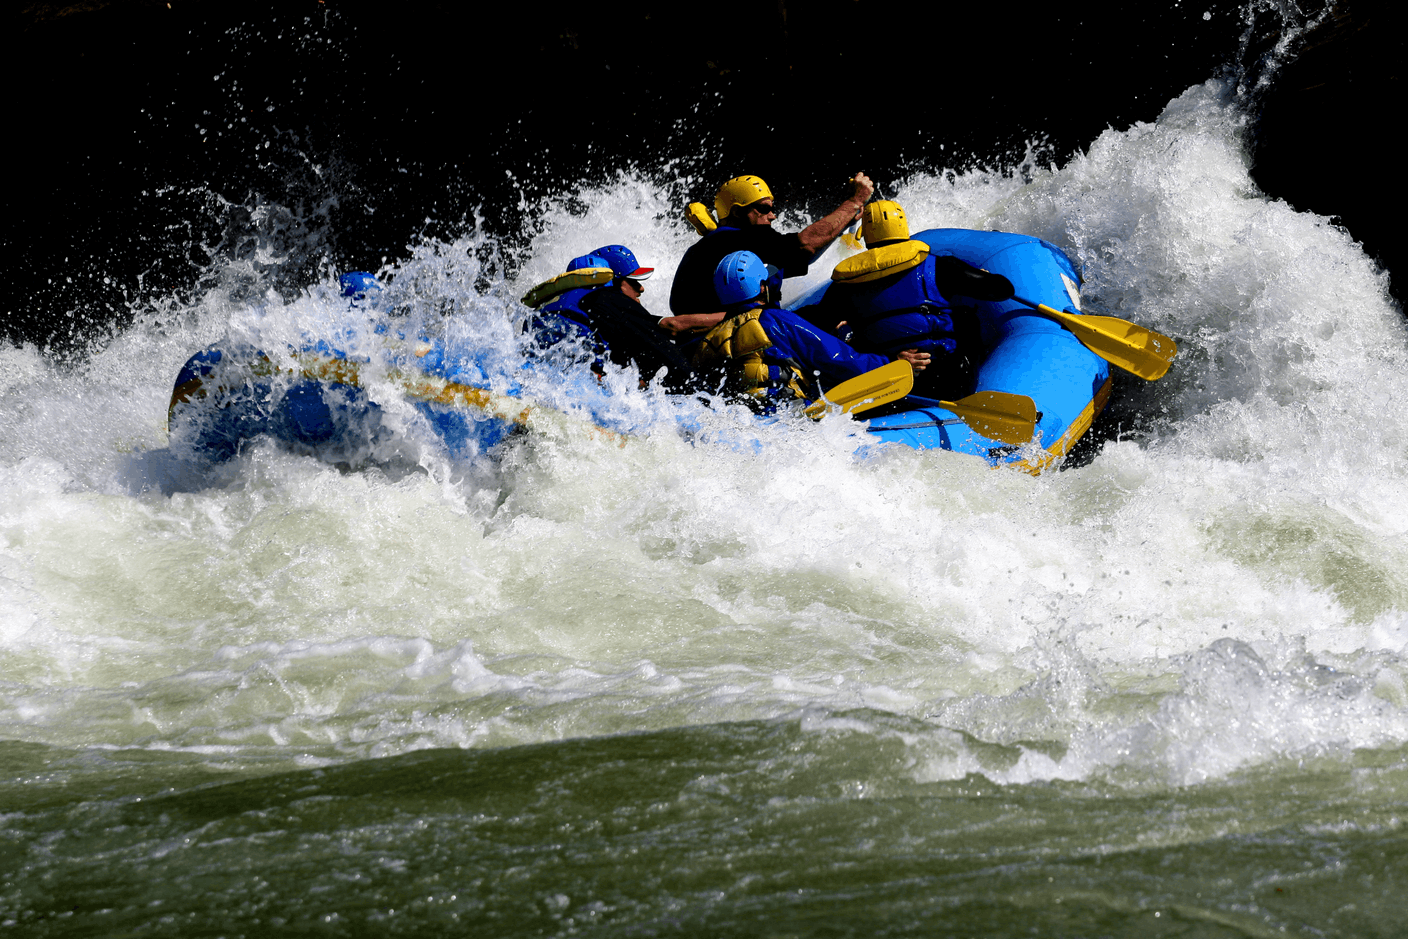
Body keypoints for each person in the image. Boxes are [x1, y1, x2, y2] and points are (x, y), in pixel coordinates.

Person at [808, 200, 1013, 400]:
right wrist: (982, 275)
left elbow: (816, 326)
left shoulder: (845, 284)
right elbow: (1003, 289)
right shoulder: (940, 266)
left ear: (866, 236)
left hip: (886, 385)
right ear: (903, 227)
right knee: (966, 316)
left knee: (849, 334)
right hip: (948, 380)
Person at [694, 250, 929, 404]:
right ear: (763, 287)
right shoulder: (775, 320)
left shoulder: (709, 338)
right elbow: (839, 360)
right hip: (786, 416)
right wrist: (891, 363)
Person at [665, 172, 876, 329]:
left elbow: (801, 256)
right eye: (764, 208)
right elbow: (805, 245)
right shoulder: (745, 238)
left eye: (773, 208)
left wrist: (841, 223)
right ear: (738, 212)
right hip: (742, 338)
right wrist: (855, 201)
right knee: (841, 310)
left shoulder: (711, 246)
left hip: (716, 342)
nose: (773, 216)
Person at [522, 245, 703, 392]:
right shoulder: (607, 298)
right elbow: (667, 343)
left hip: (536, 375)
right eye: (633, 281)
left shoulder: (549, 306)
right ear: (612, 281)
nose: (641, 289)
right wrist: (702, 390)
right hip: (580, 383)